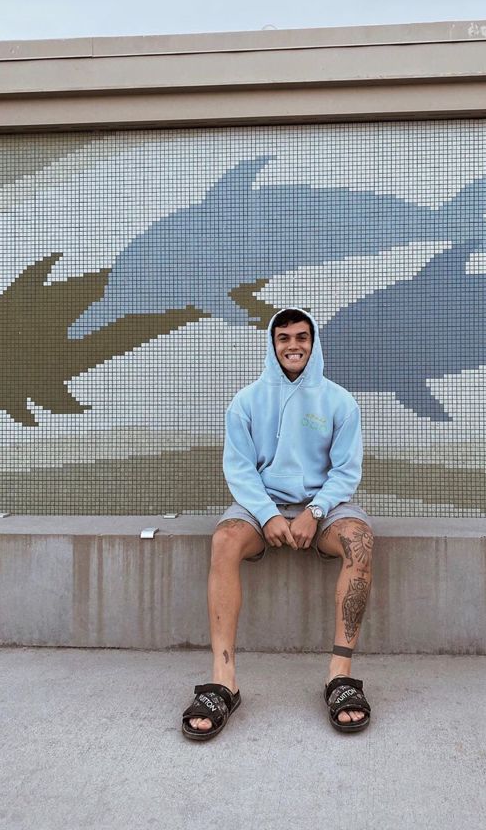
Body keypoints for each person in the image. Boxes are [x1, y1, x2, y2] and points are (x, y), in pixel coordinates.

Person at [182, 307, 374, 740]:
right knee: (225, 540)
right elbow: (239, 469)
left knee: (360, 540)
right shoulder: (247, 401)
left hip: (322, 506)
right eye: (284, 338)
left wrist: (316, 511)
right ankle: (222, 681)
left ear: (313, 343)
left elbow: (345, 472)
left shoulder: (339, 401)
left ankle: (339, 678)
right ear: (273, 345)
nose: (293, 345)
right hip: (260, 505)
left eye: (301, 337)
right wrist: (267, 513)